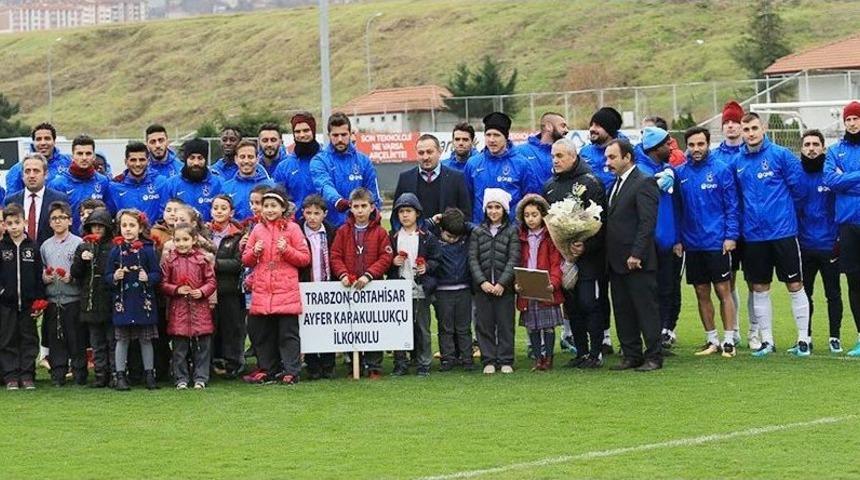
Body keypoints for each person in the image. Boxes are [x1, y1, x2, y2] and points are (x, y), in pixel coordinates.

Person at [735, 112, 809, 357]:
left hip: (783, 232)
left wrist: (783, 215)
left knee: (795, 284)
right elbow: (737, 199)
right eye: (746, 130)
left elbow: (799, 190)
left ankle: (803, 339)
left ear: (764, 128)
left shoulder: (781, 155)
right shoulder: (738, 162)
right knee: (759, 287)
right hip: (754, 236)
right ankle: (767, 341)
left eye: (754, 128)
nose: (751, 133)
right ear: (742, 132)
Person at [542, 138, 607, 368]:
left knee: (590, 303)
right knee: (572, 307)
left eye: (560, 156)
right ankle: (581, 352)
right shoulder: (549, 186)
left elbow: (601, 221)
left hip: (590, 259)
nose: (555, 160)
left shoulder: (591, 182)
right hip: (563, 258)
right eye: (553, 156)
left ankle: (596, 352)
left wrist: (585, 246)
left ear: (573, 156)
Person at [675, 127, 739, 357]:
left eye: (700, 144)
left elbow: (732, 206)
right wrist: (678, 239)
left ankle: (729, 339)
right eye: (692, 145)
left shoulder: (721, 170)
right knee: (701, 292)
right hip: (692, 244)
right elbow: (677, 210)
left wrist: (731, 236)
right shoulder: (679, 173)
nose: (696, 149)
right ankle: (712, 339)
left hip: (717, 242)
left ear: (708, 144)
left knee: (724, 290)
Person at [604, 139, 662, 371]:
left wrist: (637, 253)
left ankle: (654, 356)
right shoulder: (615, 185)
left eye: (612, 157)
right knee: (623, 309)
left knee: (646, 309)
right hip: (616, 261)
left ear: (627, 157)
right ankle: (631, 355)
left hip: (637, 262)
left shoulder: (644, 182)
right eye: (607, 157)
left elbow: (647, 223)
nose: (607, 162)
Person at [241, 189, 310, 385]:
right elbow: (246, 260)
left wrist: (286, 250)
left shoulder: (293, 229)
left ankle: (291, 370)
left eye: (274, 206)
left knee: (287, 334)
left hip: (285, 291)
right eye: (266, 206)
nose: (269, 210)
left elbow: (304, 258)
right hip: (263, 290)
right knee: (264, 334)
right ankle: (268, 369)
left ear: (282, 208)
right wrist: (254, 252)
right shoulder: (257, 230)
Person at [329, 187, 393, 379]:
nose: (360, 210)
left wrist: (369, 275)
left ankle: (374, 366)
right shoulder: (343, 231)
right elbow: (335, 256)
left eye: (363, 206)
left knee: (372, 326)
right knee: (351, 326)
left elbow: (386, 257)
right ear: (350, 207)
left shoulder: (380, 232)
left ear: (372, 207)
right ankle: (353, 365)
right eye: (356, 206)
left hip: (372, 287)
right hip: (349, 287)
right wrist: (342, 274)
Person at [635, 127, 683, 349]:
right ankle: (647, 337)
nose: (671, 148)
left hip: (668, 242)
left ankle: (663, 333)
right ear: (655, 148)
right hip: (647, 244)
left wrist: (677, 238)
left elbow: (677, 207)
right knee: (647, 292)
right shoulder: (640, 172)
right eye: (666, 145)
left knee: (668, 289)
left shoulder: (666, 169)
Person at [796, 129, 843, 353]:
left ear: (824, 148)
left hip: (829, 245)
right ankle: (805, 337)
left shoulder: (832, 174)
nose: (811, 148)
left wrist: (839, 239)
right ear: (801, 148)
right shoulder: (796, 175)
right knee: (805, 295)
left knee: (833, 294)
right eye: (807, 145)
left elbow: (840, 207)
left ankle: (835, 337)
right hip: (804, 246)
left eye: (816, 144)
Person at [712, 101, 754, 347]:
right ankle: (734, 329)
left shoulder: (750, 152)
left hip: (751, 227)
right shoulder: (715, 156)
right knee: (729, 280)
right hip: (727, 228)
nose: (730, 126)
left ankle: (755, 331)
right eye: (726, 122)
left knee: (755, 281)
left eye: (734, 122)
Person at [107, 209, 161, 391]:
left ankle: (149, 374)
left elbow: (157, 273)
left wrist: (149, 278)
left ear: (140, 228)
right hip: (123, 301)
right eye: (124, 225)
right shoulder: (115, 251)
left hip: (143, 301)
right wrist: (115, 276)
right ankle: (120, 375)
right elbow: (107, 276)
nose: (128, 229)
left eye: (132, 225)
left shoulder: (148, 250)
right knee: (122, 339)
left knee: (146, 339)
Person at [160, 222, 218, 389]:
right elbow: (163, 284)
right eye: (178, 240)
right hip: (178, 310)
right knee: (179, 349)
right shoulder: (170, 261)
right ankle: (181, 378)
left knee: (202, 348)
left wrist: (202, 291)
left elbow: (211, 281)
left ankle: (201, 377)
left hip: (200, 310)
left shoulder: (202, 259)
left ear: (193, 240)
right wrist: (176, 289)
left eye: (185, 239)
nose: (181, 243)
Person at [469, 188, 520, 374]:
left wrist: (502, 283)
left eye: (497, 207)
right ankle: (488, 359)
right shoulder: (477, 232)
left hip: (504, 289)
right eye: (490, 207)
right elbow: (472, 259)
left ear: (504, 209)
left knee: (505, 325)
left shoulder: (512, 231)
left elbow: (513, 259)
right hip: (483, 289)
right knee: (484, 325)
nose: (493, 211)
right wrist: (482, 282)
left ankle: (506, 360)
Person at [388, 193, 439, 377]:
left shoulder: (427, 237)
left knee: (422, 328)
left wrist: (427, 267)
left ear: (417, 213)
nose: (405, 215)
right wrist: (392, 262)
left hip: (420, 289)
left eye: (408, 211)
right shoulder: (392, 237)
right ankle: (400, 363)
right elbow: (384, 260)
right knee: (399, 327)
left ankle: (424, 363)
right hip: (399, 290)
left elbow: (437, 260)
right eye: (401, 211)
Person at [824, 100, 860, 356]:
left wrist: (845, 179)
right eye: (848, 119)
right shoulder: (835, 150)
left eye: (856, 118)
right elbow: (831, 180)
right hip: (847, 225)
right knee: (854, 282)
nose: (852, 123)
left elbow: (840, 181)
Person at [514, 194, 564, 371]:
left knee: (548, 326)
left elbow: (557, 263)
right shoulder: (520, 237)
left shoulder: (551, 236)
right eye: (527, 215)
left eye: (534, 215)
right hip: (527, 286)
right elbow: (517, 262)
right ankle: (537, 359)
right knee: (532, 326)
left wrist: (554, 283)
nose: (530, 219)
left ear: (542, 215)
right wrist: (517, 282)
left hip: (546, 286)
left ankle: (549, 358)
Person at [0, 204, 46, 390]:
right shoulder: (2, 247)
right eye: (9, 223)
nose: (14, 227)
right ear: (4, 225)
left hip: (28, 304)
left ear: (25, 222)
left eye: (17, 222)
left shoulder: (33, 247)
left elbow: (38, 276)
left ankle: (27, 375)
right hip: (7, 304)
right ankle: (11, 375)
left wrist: (39, 301)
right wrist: (3, 292)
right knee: (8, 339)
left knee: (29, 339)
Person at [40, 201, 86, 386]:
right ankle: (58, 373)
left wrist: (72, 277)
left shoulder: (79, 243)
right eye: (54, 218)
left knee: (76, 339)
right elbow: (42, 268)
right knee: (56, 339)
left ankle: (79, 373)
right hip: (53, 299)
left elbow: (84, 271)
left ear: (70, 220)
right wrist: (45, 277)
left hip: (73, 299)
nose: (58, 221)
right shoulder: (45, 246)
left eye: (62, 217)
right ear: (49, 223)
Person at [462, 112, 539, 222]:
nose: (491, 140)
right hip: (480, 229)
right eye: (488, 135)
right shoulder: (473, 163)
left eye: (497, 135)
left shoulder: (522, 164)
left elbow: (530, 200)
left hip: (512, 229)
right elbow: (466, 200)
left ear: (506, 137)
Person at [310, 113, 382, 227]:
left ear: (350, 134)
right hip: (331, 226)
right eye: (335, 135)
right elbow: (324, 185)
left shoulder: (364, 161)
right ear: (329, 135)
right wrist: (337, 201)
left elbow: (373, 193)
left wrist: (376, 216)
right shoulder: (319, 160)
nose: (340, 139)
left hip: (359, 226)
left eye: (343, 135)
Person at [70, 207, 115, 388]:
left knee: (112, 341)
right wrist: (82, 259)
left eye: (100, 226)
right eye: (93, 226)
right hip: (90, 300)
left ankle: (115, 374)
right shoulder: (83, 246)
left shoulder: (113, 247)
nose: (97, 229)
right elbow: (75, 273)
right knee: (97, 342)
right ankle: (100, 374)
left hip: (109, 299)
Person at [391, 134, 472, 230]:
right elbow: (395, 216)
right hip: (415, 237)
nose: (425, 157)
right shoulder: (405, 179)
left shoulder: (456, 178)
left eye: (429, 152)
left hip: (446, 237)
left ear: (439, 152)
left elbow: (466, 215)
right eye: (421, 153)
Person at [298, 194, 337, 379]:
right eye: (308, 213)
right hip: (305, 286)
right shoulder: (297, 231)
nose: (312, 217)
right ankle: (312, 365)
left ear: (324, 214)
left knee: (328, 325)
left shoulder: (332, 232)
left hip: (327, 286)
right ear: (303, 213)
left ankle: (329, 364)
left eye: (316, 213)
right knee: (309, 327)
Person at [208, 195, 246, 378]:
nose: (219, 211)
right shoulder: (204, 233)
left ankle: (233, 362)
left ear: (231, 212)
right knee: (211, 327)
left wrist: (215, 264)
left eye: (223, 208)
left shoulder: (238, 235)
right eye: (215, 208)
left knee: (232, 327)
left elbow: (239, 263)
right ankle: (213, 361)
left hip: (229, 289)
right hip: (208, 290)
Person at [434, 208, 474, 371]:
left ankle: (467, 358)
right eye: (449, 236)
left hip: (464, 289)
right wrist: (435, 220)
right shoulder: (435, 243)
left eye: (456, 236)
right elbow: (421, 228)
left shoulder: (465, 241)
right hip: (443, 291)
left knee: (464, 328)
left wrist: (464, 224)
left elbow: (478, 230)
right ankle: (447, 358)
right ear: (441, 229)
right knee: (446, 328)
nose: (452, 240)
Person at [48, 135, 110, 235]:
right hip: (68, 240)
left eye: (88, 153)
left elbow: (107, 213)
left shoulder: (103, 181)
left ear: (94, 156)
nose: (84, 158)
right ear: (72, 156)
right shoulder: (58, 184)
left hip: (95, 239)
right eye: (80, 154)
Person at [5, 153, 70, 246]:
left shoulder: (59, 199)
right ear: (22, 175)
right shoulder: (11, 201)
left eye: (36, 171)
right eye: (27, 171)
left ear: (46, 174)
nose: (31, 175)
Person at [160, 138, 223, 222]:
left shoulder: (218, 183)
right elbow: (163, 214)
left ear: (206, 160)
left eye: (200, 158)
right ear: (186, 159)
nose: (196, 163)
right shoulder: (171, 184)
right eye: (192, 158)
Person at [273, 112, 322, 218]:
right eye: (297, 131)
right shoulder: (284, 167)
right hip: (295, 224)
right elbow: (278, 200)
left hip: (328, 224)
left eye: (306, 130)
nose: (302, 135)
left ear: (313, 131)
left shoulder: (327, 161)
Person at [107, 141, 166, 226]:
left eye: (142, 160)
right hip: (127, 234)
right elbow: (109, 217)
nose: (138, 164)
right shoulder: (114, 187)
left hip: (154, 233)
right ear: (126, 162)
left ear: (148, 161)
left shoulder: (161, 182)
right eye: (133, 160)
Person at [5, 122, 71, 194]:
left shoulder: (67, 162)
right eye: (39, 139)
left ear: (54, 141)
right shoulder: (17, 169)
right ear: (33, 142)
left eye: (47, 138)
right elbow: (13, 198)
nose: (43, 143)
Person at [223, 140, 274, 222]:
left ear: (257, 159)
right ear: (236, 159)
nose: (246, 161)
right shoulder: (226, 188)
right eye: (242, 157)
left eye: (250, 157)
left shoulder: (271, 186)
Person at [515, 112, 569, 184]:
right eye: (563, 126)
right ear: (549, 126)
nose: (567, 130)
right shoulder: (521, 151)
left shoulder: (567, 153)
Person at [579, 107, 624, 191]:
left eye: (597, 126)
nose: (592, 129)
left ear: (609, 129)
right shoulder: (584, 152)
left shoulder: (625, 151)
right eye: (591, 125)